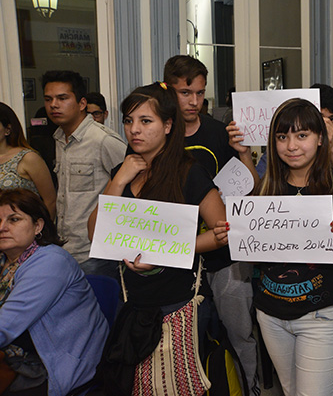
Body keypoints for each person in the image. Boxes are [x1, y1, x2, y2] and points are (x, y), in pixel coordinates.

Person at [89, 82, 228, 395]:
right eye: (128, 121)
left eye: (145, 121)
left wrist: (163, 252)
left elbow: (222, 234)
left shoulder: (189, 172)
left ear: (167, 125)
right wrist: (118, 181)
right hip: (134, 302)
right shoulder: (122, 171)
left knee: (176, 386)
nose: (134, 129)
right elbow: (95, 233)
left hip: (178, 302)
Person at [253, 98, 333, 396]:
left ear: (320, 138)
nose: (291, 146)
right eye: (282, 137)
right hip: (270, 314)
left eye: (302, 135)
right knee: (291, 390)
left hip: (321, 316)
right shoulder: (265, 189)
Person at [163, 54, 260, 395]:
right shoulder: (159, 135)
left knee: (240, 332)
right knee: (186, 338)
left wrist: (244, 153)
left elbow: (250, 187)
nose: (194, 101)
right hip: (178, 256)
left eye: (200, 93)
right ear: (168, 90)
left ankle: (250, 388)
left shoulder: (219, 133)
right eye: (185, 93)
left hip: (226, 256)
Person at [0, 188, 108, 396]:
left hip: (52, 367)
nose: (2, 227)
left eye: (14, 220)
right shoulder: (6, 259)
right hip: (16, 356)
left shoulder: (51, 262)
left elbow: (6, 325)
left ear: (38, 226)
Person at [42, 71, 126, 277]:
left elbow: (133, 188)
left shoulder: (102, 140)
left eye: (62, 98)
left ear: (81, 104)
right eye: (48, 99)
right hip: (65, 249)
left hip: (95, 253)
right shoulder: (59, 137)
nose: (54, 105)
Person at [255, 83, 333, 191]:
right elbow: (258, 190)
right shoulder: (281, 150)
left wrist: (332, 148)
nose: (325, 125)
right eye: (320, 117)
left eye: (332, 120)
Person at [0, 103, 56, 219]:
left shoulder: (28, 158)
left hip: (23, 226)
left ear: (7, 129)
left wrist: (44, 228)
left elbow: (50, 201)